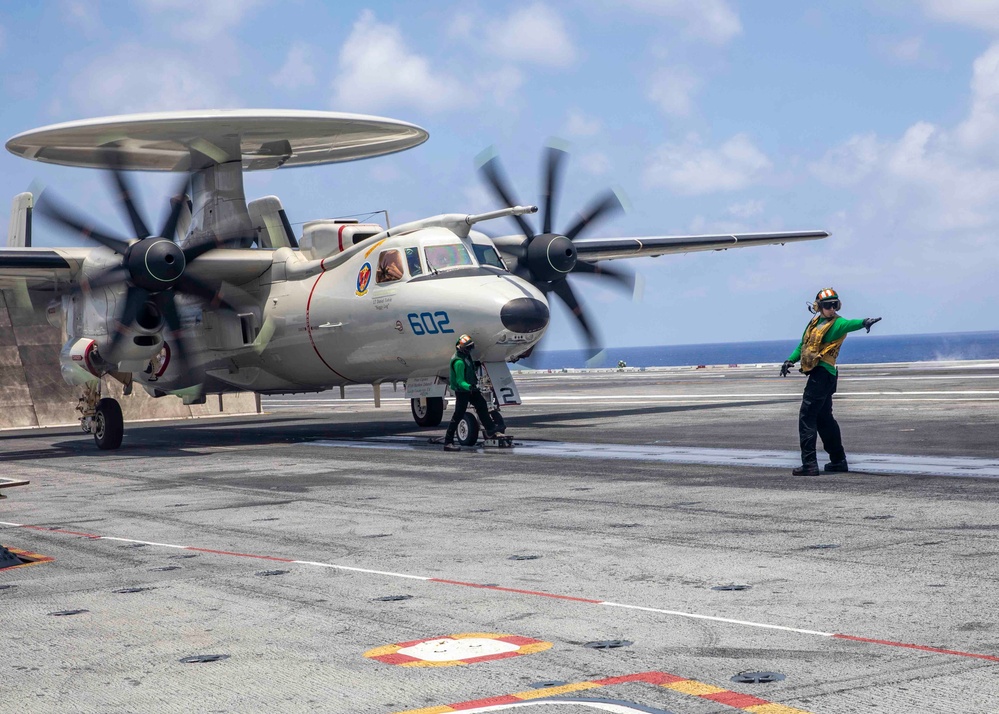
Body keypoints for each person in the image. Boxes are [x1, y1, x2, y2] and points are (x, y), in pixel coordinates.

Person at [780, 288, 881, 475]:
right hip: (825, 376)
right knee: (824, 419)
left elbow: (850, 324)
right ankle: (838, 461)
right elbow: (803, 344)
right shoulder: (814, 322)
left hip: (821, 375)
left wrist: (864, 322)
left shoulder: (837, 324)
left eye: (835, 304)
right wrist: (790, 360)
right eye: (828, 305)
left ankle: (809, 464)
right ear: (819, 307)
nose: (832, 308)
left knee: (807, 417)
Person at [443, 334, 505, 451]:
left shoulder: (466, 357)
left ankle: (490, 430)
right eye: (468, 348)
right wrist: (469, 387)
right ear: (461, 348)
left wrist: (475, 366)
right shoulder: (459, 362)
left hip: (471, 389)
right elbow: (460, 381)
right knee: (458, 415)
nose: (470, 350)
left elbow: (469, 369)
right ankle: (448, 441)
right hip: (463, 391)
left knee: (482, 406)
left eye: (470, 348)